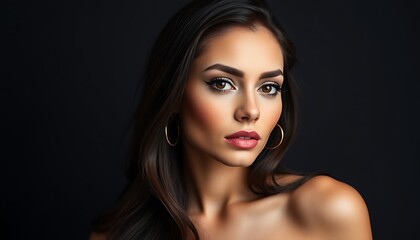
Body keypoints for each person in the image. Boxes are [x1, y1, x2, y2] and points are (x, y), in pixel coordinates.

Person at [90, 0, 372, 239]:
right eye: (222, 83)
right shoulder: (115, 233)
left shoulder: (329, 210)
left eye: (268, 87)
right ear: (173, 94)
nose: (251, 110)